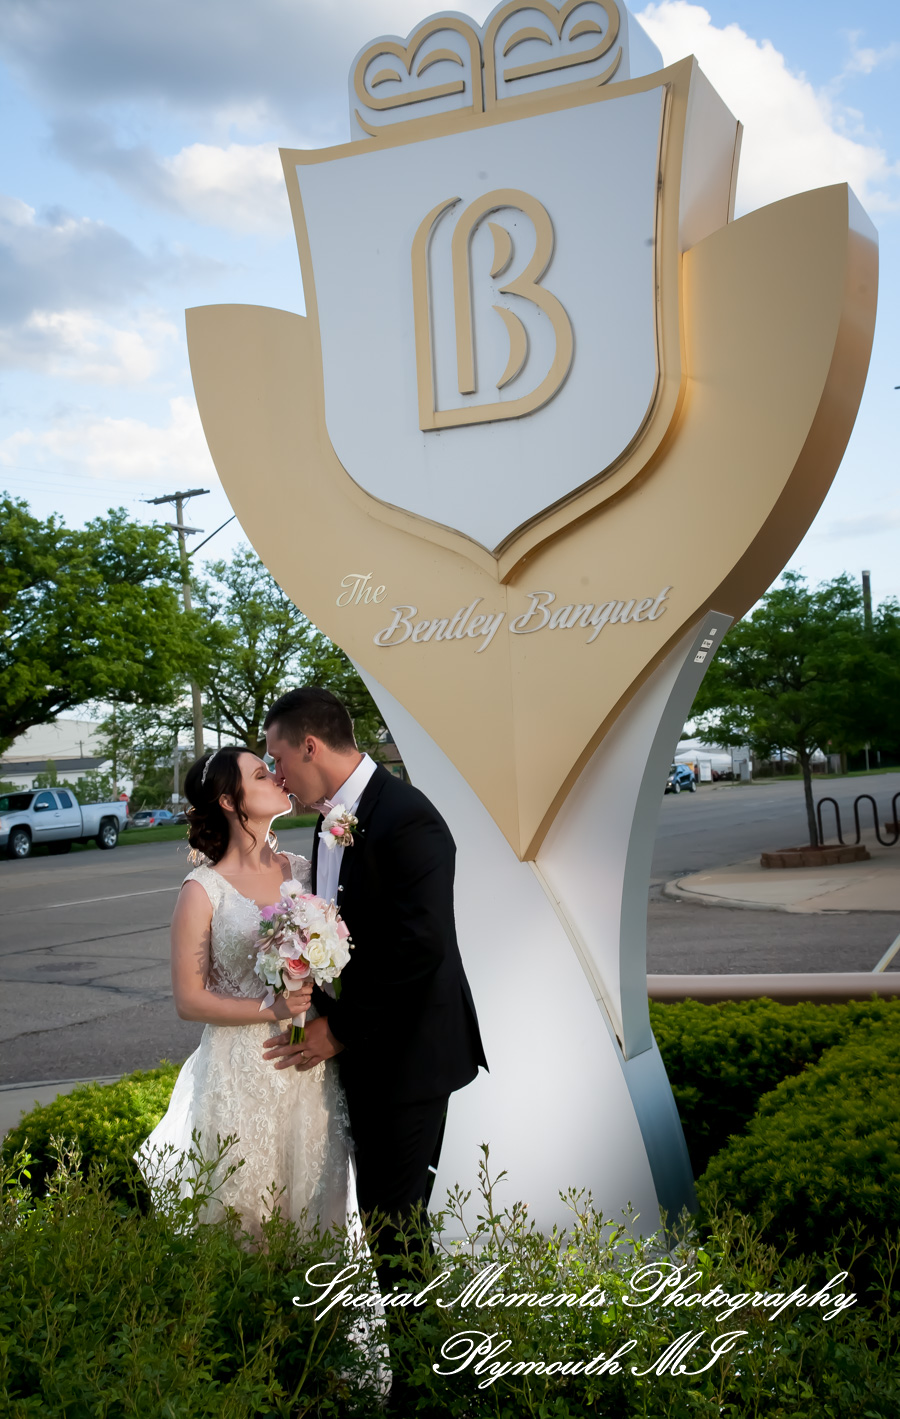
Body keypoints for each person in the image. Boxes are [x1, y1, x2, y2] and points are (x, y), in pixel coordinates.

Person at [261, 687, 487, 1274]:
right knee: (385, 1222)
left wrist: (339, 1031)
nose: (277, 775)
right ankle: (417, 1333)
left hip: (409, 1055)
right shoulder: (329, 819)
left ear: (310, 746)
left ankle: (423, 1337)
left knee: (394, 1229)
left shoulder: (407, 817)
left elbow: (421, 946)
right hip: (363, 1052)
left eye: (278, 758)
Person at [135, 745, 353, 1239]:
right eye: (260, 774)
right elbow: (189, 1000)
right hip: (239, 1072)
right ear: (230, 802)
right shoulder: (202, 890)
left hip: (310, 1065)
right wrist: (270, 1007)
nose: (276, 776)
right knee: (244, 1222)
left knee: (315, 1216)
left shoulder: (305, 870)